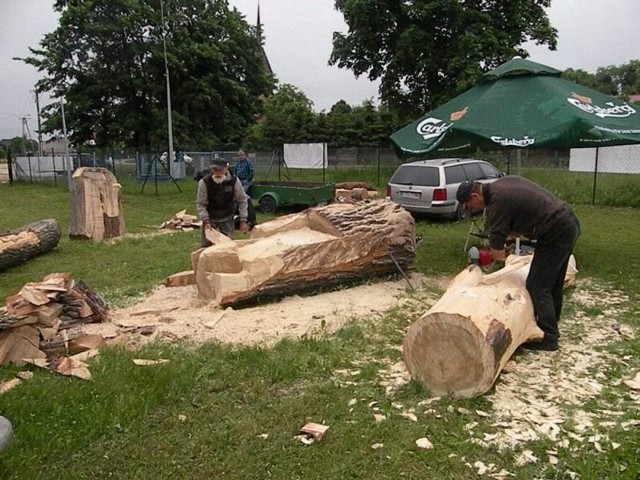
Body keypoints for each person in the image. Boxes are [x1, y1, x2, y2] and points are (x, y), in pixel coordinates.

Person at [456, 176, 581, 351]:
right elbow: (520, 213)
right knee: (553, 281)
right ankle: (551, 323)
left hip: (555, 230)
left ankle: (549, 337)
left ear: (475, 197)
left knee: (537, 285)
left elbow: (498, 250)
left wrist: (497, 256)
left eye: (470, 206)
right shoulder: (500, 186)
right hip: (567, 222)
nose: (472, 210)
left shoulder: (497, 202)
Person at [196, 158, 249, 247]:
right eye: (214, 170)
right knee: (206, 247)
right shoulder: (204, 182)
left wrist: (243, 219)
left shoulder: (234, 181)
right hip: (210, 217)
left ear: (226, 168)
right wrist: (206, 220)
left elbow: (242, 200)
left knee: (228, 246)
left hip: (227, 217)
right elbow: (201, 203)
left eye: (219, 170)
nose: (216, 173)